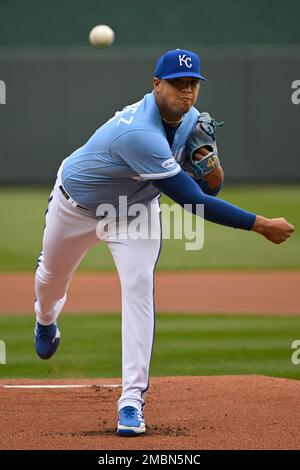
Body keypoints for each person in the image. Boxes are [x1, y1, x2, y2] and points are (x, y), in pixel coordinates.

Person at [34, 49, 294, 436]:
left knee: (138, 291)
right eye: (177, 84)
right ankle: (45, 319)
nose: (186, 93)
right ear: (156, 85)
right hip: (76, 208)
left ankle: (131, 402)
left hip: (134, 212)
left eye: (192, 85)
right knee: (50, 279)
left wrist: (209, 163)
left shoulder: (189, 120)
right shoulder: (139, 133)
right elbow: (195, 202)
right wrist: (260, 225)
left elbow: (210, 185)